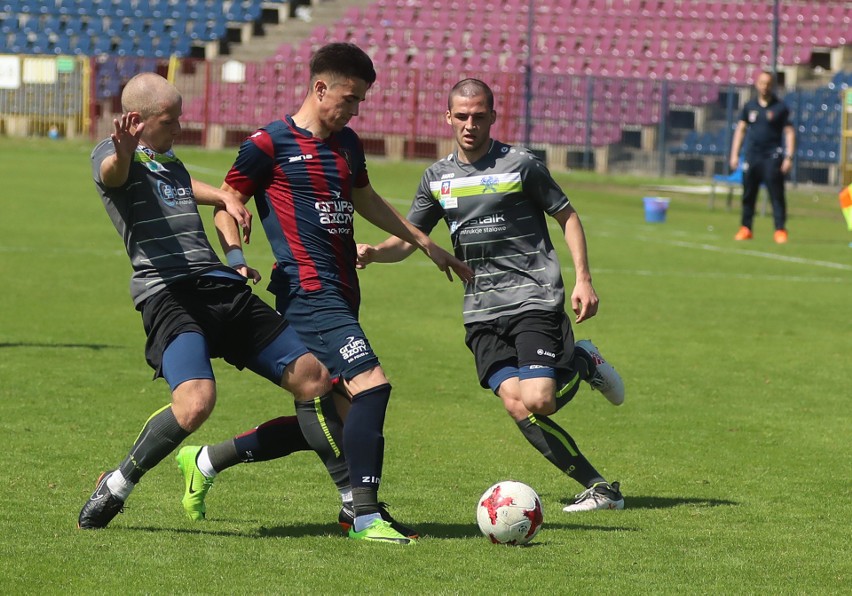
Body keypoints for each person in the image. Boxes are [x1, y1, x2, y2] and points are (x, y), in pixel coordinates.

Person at [77, 72, 362, 533]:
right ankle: (118, 483)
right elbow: (117, 174)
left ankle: (354, 503)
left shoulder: (167, 160)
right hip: (169, 294)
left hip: (218, 285)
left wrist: (228, 200)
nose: (179, 128)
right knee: (195, 404)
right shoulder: (110, 156)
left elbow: (181, 184)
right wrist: (125, 149)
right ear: (136, 121)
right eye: (170, 121)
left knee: (314, 378)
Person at [212, 42, 473, 544]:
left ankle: (206, 460)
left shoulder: (348, 144)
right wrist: (236, 257)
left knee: (338, 415)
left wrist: (426, 245)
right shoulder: (268, 143)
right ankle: (365, 515)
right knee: (373, 386)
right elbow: (228, 201)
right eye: (349, 99)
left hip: (344, 290)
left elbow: (365, 197)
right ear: (320, 88)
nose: (354, 110)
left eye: (359, 101)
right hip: (307, 292)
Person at [357, 78, 626, 513]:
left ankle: (581, 362)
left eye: (478, 116)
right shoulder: (436, 178)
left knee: (539, 398)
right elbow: (410, 239)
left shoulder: (521, 165)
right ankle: (598, 487)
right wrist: (374, 252)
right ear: (448, 118)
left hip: (532, 296)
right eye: (461, 116)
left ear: (492, 117)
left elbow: (568, 216)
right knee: (517, 403)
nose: (469, 125)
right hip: (481, 310)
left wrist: (584, 279)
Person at [729, 70, 796, 244]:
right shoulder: (750, 106)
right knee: (748, 194)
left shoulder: (780, 108)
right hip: (753, 156)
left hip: (772, 157)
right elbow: (741, 130)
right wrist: (734, 154)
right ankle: (746, 228)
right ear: (757, 84)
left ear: (772, 85)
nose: (765, 87)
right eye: (762, 83)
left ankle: (780, 230)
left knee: (776, 194)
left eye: (768, 83)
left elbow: (789, 132)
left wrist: (789, 157)